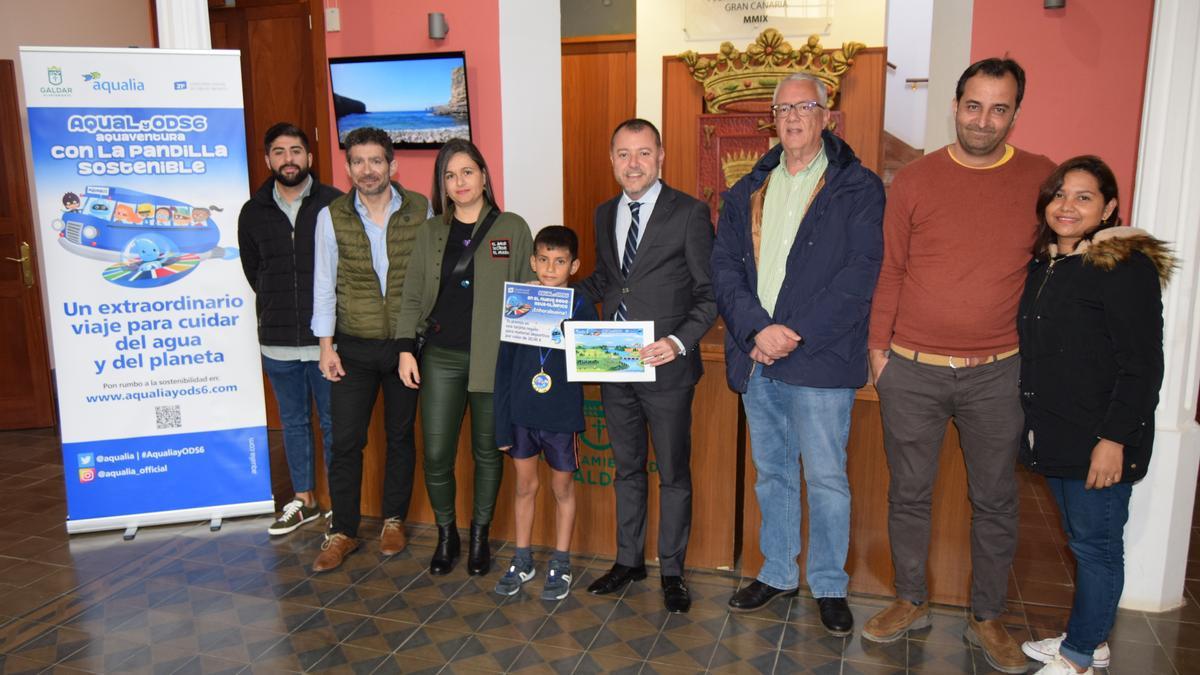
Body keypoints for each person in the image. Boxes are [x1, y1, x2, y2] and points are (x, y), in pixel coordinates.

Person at [862, 57, 1056, 672]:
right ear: (955, 105)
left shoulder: (1041, 177)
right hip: (912, 368)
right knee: (909, 494)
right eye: (974, 105)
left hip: (998, 370)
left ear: (1015, 113)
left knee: (996, 498)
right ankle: (910, 598)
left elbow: (1064, 251)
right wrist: (878, 350)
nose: (984, 119)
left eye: (999, 108)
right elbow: (891, 267)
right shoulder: (915, 179)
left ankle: (987, 616)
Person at [710, 73, 883, 635]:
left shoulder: (856, 187)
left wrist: (794, 332)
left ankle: (829, 584)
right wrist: (758, 330)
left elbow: (859, 276)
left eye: (803, 107)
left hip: (820, 358)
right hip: (757, 356)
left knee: (827, 479)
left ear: (826, 115)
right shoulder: (748, 189)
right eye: (781, 109)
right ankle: (779, 571)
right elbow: (725, 269)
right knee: (773, 474)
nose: (791, 118)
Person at [1016, 156, 1170, 675]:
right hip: (1057, 434)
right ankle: (1091, 639)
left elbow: (1143, 365)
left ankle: (1080, 656)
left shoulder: (1122, 268)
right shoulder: (1047, 266)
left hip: (1100, 440)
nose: (1067, 205)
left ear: (1108, 208)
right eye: (1060, 193)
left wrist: (1113, 439)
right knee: (1080, 542)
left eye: (1084, 197)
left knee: (1097, 548)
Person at [578, 118, 716, 614]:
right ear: (611, 159)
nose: (632, 164)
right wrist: (552, 298)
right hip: (613, 360)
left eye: (642, 153)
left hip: (667, 368)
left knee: (674, 472)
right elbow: (608, 282)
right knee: (627, 468)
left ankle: (672, 571)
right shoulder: (602, 213)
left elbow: (708, 293)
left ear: (661, 157)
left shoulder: (690, 213)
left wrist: (677, 343)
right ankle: (628, 560)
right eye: (622, 154)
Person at [397, 138, 535, 577]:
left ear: (484, 176)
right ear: (442, 183)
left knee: (488, 453)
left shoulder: (512, 228)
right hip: (440, 357)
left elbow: (527, 293)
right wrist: (405, 348)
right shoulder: (431, 231)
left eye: (467, 172)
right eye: (450, 175)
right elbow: (413, 292)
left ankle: (479, 536)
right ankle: (446, 535)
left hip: (493, 361)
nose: (459, 182)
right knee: (436, 453)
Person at [309, 126, 430, 572]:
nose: (367, 170)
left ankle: (393, 521)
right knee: (345, 441)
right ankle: (342, 530)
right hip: (353, 347)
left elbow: (426, 280)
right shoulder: (331, 216)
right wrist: (326, 346)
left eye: (375, 160)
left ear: (392, 165)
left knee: (400, 437)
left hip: (405, 347)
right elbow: (324, 283)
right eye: (358, 161)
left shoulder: (420, 209)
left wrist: (417, 340)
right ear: (348, 168)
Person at [237, 122, 341, 536]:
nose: (288, 159)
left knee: (335, 423)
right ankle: (305, 500)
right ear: (268, 160)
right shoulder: (253, 211)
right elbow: (254, 271)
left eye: (296, 150)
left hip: (327, 343)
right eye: (279, 152)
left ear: (309, 158)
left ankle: (340, 503)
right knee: (294, 422)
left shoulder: (335, 203)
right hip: (278, 342)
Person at [492, 226, 598, 600]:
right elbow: (503, 367)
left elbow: (591, 357)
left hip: (561, 416)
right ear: (533, 261)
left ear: (575, 265)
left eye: (560, 261)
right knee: (524, 486)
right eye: (544, 260)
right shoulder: (519, 301)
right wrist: (501, 425)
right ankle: (522, 559)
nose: (551, 268)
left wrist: (570, 328)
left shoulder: (581, 304)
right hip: (522, 414)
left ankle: (562, 560)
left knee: (561, 488)